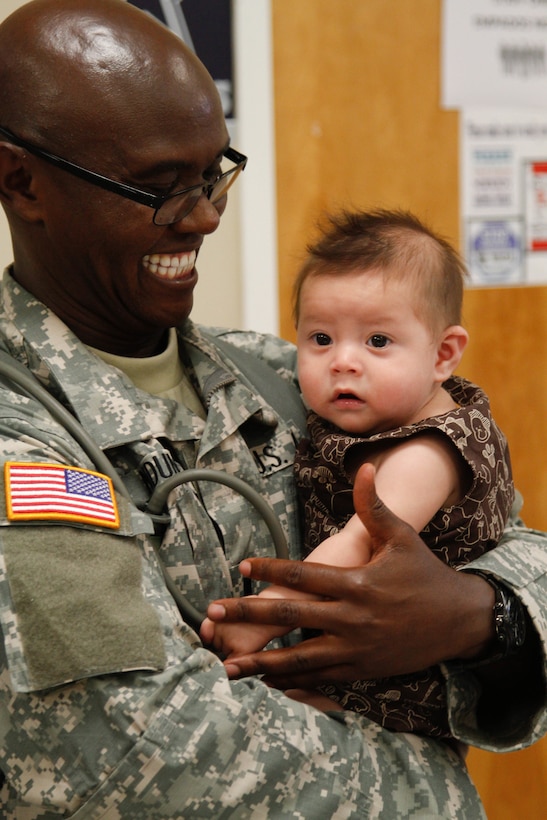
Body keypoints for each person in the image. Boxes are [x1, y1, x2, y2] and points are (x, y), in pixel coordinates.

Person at [0, 1, 543, 816]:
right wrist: (440, 786)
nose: (206, 215)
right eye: (158, 188)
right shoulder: (26, 439)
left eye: (213, 173)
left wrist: (476, 616)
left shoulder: (285, 374)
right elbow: (138, 758)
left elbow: (511, 539)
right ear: (20, 181)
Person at [201, 208, 515, 740]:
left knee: (285, 703)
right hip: (362, 650)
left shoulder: (432, 450)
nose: (343, 362)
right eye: (321, 339)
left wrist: (266, 613)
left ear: (443, 355)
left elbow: (356, 544)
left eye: (377, 342)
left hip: (404, 682)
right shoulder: (378, 416)